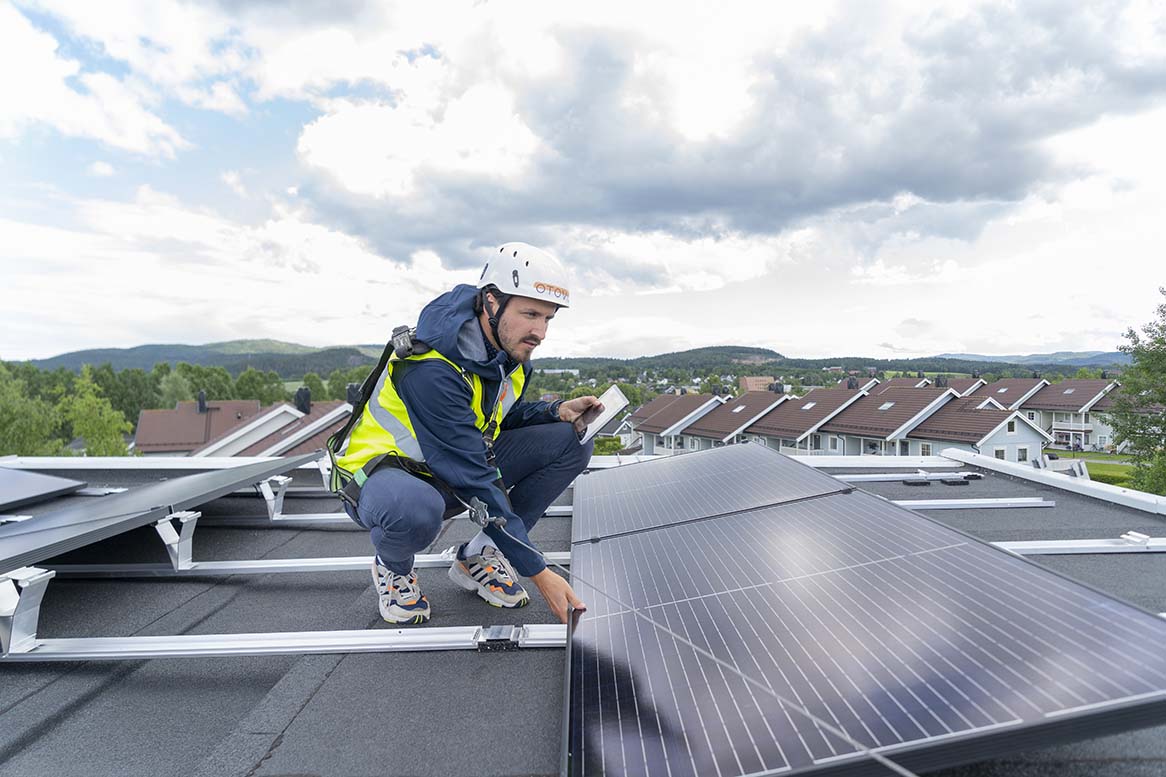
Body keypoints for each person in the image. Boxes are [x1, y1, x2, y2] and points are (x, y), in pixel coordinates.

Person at [334, 242, 602, 624]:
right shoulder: (430, 368)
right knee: (416, 511)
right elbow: (472, 470)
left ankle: (480, 555)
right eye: (530, 314)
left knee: (572, 439)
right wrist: (536, 570)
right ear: (491, 302)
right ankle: (392, 566)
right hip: (383, 480)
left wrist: (554, 411)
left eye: (548, 319)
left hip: (445, 470)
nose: (540, 332)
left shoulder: (510, 358)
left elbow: (491, 421)